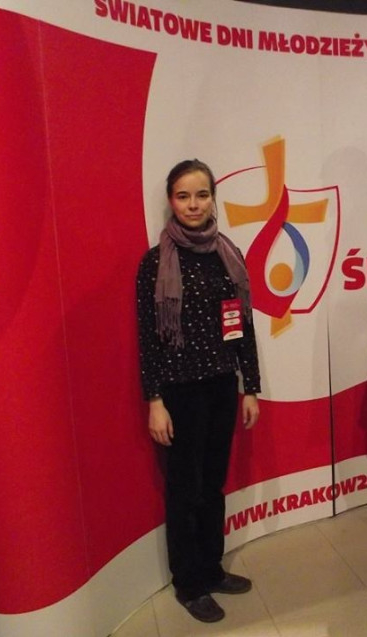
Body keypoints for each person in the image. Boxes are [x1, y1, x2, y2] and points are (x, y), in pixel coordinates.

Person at [136, 159, 261, 623]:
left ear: (213, 198)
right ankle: (188, 583)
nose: (193, 205)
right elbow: (148, 339)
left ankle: (211, 568)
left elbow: (242, 324)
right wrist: (155, 401)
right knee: (185, 490)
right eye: (183, 196)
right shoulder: (155, 262)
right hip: (180, 393)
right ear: (171, 201)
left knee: (212, 485)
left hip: (222, 386)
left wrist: (251, 386)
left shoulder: (228, 253)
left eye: (202, 195)